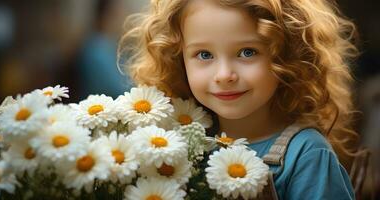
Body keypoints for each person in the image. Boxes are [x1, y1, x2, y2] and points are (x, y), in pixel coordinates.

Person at [118, 0, 360, 199]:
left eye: (247, 52)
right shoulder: (174, 145)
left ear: (286, 56)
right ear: (179, 59)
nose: (224, 75)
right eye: (204, 54)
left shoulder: (305, 155)